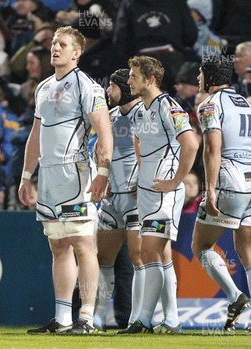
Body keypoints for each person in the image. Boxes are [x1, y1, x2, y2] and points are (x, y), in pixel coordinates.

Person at [18, 26, 113, 334]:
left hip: (76, 173)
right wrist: (25, 176)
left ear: (77, 53)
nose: (55, 48)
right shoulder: (42, 87)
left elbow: (104, 131)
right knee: (58, 245)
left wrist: (103, 172)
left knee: (84, 245)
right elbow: (36, 135)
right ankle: (62, 319)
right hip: (48, 176)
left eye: (63, 44)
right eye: (54, 43)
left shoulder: (88, 87)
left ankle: (86, 317)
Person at [118, 56, 198, 334]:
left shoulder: (169, 107)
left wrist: (177, 180)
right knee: (161, 256)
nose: (129, 80)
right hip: (148, 192)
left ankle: (142, 320)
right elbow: (138, 139)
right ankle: (172, 320)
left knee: (148, 252)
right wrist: (142, 172)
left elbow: (191, 143)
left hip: (165, 194)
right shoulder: (141, 110)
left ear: (150, 79)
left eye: (133, 76)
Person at [189, 57, 251, 332]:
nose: (198, 78)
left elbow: (212, 149)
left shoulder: (209, 104)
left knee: (200, 246)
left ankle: (235, 296)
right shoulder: (249, 105)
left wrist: (210, 190)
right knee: (250, 253)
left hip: (229, 180)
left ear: (209, 77)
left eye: (200, 73)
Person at [92, 68, 142, 332]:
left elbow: (162, 151)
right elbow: (96, 151)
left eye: (112, 86)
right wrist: (101, 176)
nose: (107, 91)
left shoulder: (145, 115)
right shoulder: (107, 119)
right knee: (103, 260)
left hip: (136, 200)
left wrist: (145, 181)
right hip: (111, 201)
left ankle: (139, 318)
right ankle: (98, 317)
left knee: (139, 260)